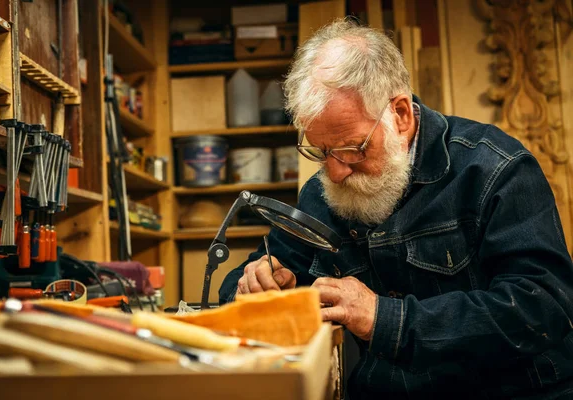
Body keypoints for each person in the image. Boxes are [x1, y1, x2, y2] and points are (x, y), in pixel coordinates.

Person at [219, 19, 573, 399]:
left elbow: (543, 306)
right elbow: (235, 285)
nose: (335, 173)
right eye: (320, 151)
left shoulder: (494, 169)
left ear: (401, 115)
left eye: (352, 149)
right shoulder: (321, 194)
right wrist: (254, 284)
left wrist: (385, 319)